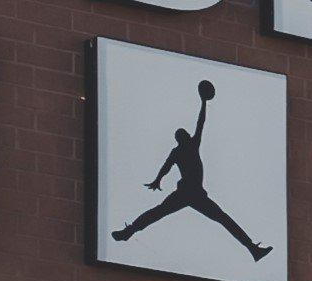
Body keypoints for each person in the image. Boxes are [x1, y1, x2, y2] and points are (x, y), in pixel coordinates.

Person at [113, 78, 270, 260]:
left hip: (193, 193)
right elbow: (198, 126)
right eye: (184, 134)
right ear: (183, 138)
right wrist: (203, 102)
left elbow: (168, 164)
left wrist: (158, 179)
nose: (187, 134)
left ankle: (253, 249)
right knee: (222, 219)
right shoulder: (188, 147)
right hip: (190, 192)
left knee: (160, 213)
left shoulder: (182, 149)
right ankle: (252, 248)